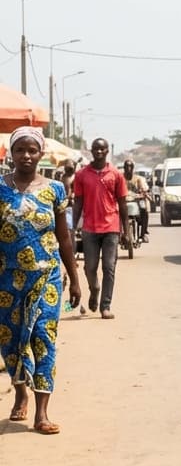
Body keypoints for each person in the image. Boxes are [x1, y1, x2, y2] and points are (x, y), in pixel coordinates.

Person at [1, 127, 82, 433]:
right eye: (20, 150)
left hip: (45, 278)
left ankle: (41, 413)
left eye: (32, 150)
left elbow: (64, 237)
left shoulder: (55, 190)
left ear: (41, 154)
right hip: (6, 281)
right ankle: (20, 391)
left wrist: (75, 279)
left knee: (43, 341)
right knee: (11, 343)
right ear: (11, 153)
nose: (26, 155)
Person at [72, 138, 128, 320]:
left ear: (107, 152)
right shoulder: (81, 175)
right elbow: (78, 202)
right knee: (90, 267)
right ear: (91, 151)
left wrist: (126, 230)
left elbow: (122, 203)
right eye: (96, 149)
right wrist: (73, 228)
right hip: (89, 228)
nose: (99, 152)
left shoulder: (116, 174)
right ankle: (94, 290)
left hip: (111, 226)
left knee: (109, 267)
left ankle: (106, 306)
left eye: (102, 149)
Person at [122, 159, 150, 242]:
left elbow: (142, 189)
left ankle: (143, 234)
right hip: (123, 201)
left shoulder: (137, 179)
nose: (128, 168)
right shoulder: (120, 178)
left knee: (144, 210)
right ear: (124, 168)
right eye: (127, 166)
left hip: (135, 200)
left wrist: (143, 193)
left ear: (133, 168)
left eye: (130, 166)